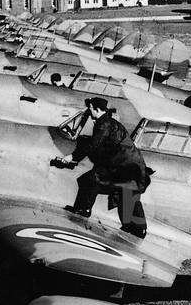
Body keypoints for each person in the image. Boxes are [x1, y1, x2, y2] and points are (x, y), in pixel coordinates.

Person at [57, 97, 150, 238]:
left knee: (94, 181)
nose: (89, 111)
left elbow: (94, 144)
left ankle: (84, 209)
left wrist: (73, 156)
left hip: (126, 167)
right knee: (124, 192)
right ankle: (136, 228)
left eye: (90, 108)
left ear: (97, 109)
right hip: (127, 166)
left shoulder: (104, 124)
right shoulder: (108, 122)